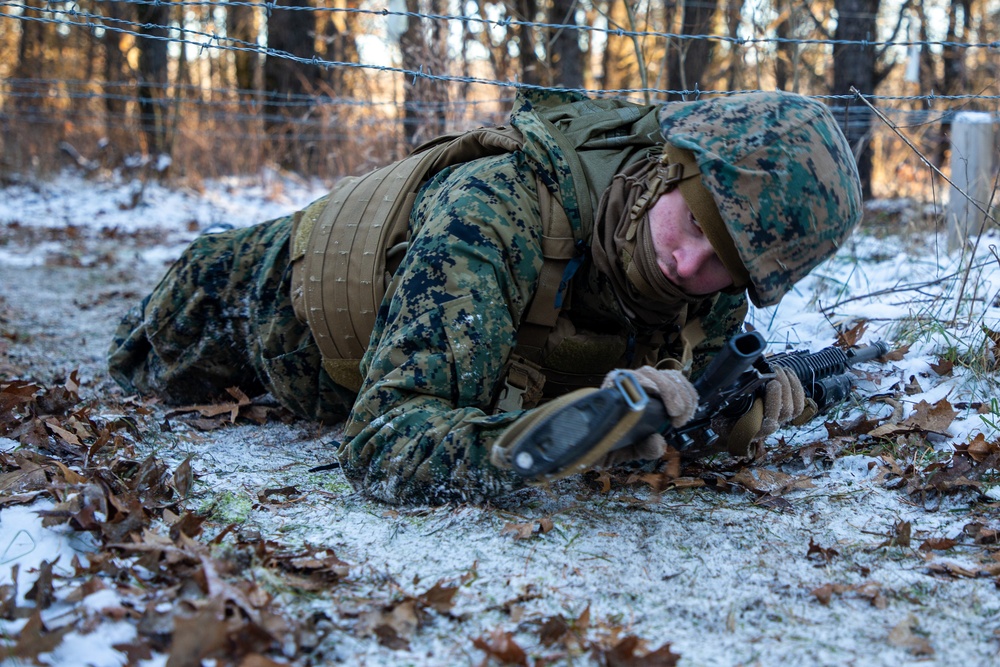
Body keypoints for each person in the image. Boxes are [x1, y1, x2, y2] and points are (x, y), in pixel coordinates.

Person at [108, 90, 863, 505]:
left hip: (378, 321)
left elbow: (676, 405)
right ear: (671, 167)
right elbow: (383, 442)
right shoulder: (496, 211)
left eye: (722, 266)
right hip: (252, 299)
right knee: (140, 361)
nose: (687, 260)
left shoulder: (714, 287)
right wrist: (549, 442)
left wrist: (733, 412)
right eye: (693, 220)